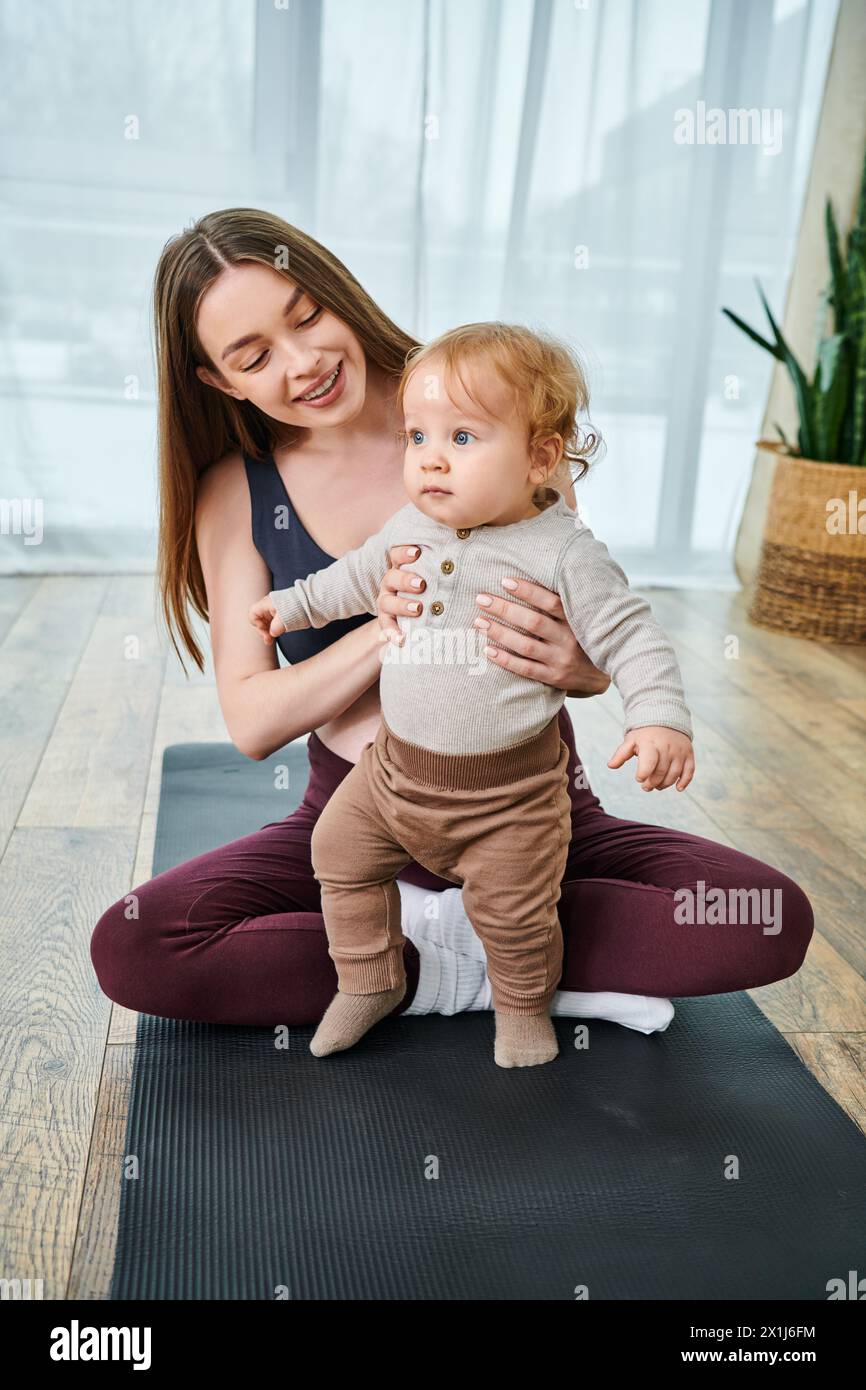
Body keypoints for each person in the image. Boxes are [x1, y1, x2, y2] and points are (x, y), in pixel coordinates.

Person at [89, 208, 814, 1040]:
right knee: (138, 946)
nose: (306, 362)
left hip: (530, 806)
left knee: (764, 917)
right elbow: (252, 720)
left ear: (338, 294)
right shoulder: (238, 491)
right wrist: (388, 625)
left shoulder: (481, 407)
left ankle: (457, 947)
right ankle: (492, 964)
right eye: (254, 357)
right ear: (221, 382)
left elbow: (590, 632)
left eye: (306, 317)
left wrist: (590, 670)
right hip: (359, 816)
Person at [250, 321, 695, 1067]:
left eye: (462, 440)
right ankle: (372, 979)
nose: (429, 461)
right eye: (417, 437)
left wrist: (658, 720)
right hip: (393, 778)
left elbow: (633, 636)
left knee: (518, 916)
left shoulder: (563, 553)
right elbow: (353, 579)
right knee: (338, 850)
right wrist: (293, 606)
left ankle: (522, 1007)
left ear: (540, 458)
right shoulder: (410, 525)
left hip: (510, 800)